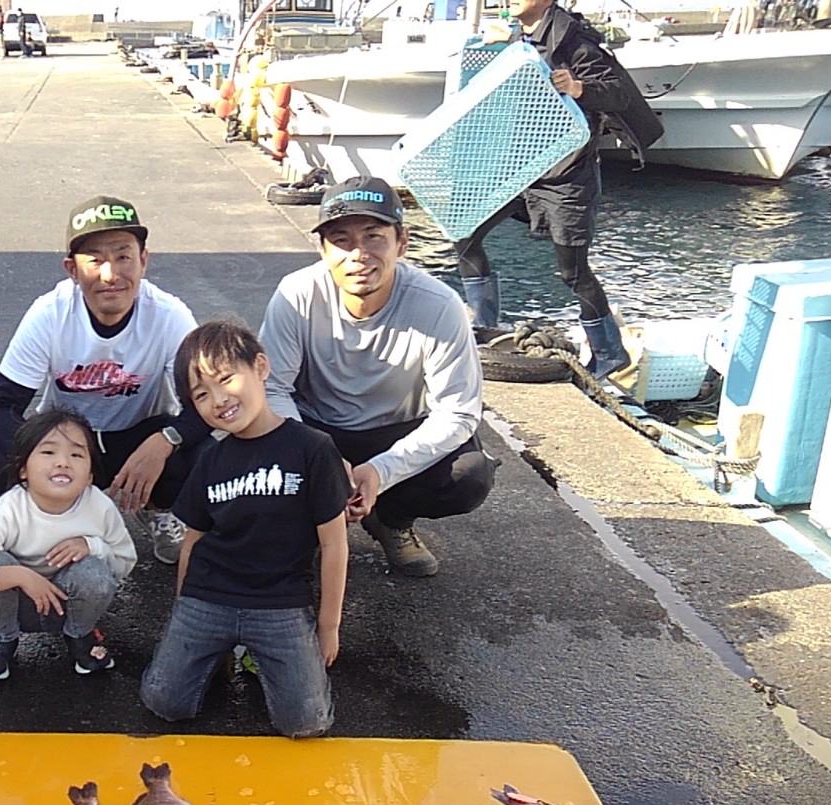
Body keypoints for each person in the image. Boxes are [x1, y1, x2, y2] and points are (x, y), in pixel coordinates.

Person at [259, 175, 496, 579]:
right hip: (317, 427)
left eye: (374, 237)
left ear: (401, 242)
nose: (359, 255)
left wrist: (381, 471)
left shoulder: (439, 305)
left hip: (396, 429)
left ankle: (392, 519)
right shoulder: (296, 294)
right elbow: (271, 388)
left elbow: (457, 413)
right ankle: (312, 528)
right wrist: (319, 455)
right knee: (245, 441)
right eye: (342, 240)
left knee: (469, 474)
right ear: (322, 248)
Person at [140, 320, 349, 740]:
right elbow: (193, 539)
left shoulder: (313, 448)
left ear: (260, 367)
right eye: (201, 395)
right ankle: (213, 659)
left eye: (226, 379)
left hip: (281, 603)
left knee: (306, 722)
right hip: (208, 595)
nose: (218, 399)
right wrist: (184, 608)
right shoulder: (211, 458)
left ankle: (255, 657)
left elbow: (334, 544)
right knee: (165, 703)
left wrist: (328, 626)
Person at [0, 195, 200, 564]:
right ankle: (44, 519)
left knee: (199, 455)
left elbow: (205, 404)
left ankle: (158, 508)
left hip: (139, 432)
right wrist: (46, 460)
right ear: (72, 269)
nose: (111, 274)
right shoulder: (50, 313)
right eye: (94, 259)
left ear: (143, 260)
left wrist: (165, 442)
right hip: (68, 434)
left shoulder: (169, 316)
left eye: (123, 256)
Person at [454, 0, 662, 378]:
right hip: (522, 168)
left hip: (568, 174)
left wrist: (578, 86)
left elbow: (619, 94)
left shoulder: (575, 41)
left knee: (573, 272)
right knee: (465, 232)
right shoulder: (521, 36)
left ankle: (610, 352)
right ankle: (484, 330)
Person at [0, 410, 137, 680]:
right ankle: (2, 639)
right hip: (17, 605)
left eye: (77, 455)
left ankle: (80, 635)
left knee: (93, 569)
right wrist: (18, 576)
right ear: (23, 469)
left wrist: (93, 546)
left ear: (90, 475)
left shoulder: (99, 507)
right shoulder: (9, 509)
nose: (63, 463)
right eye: (48, 453)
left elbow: (125, 561)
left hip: (69, 605)